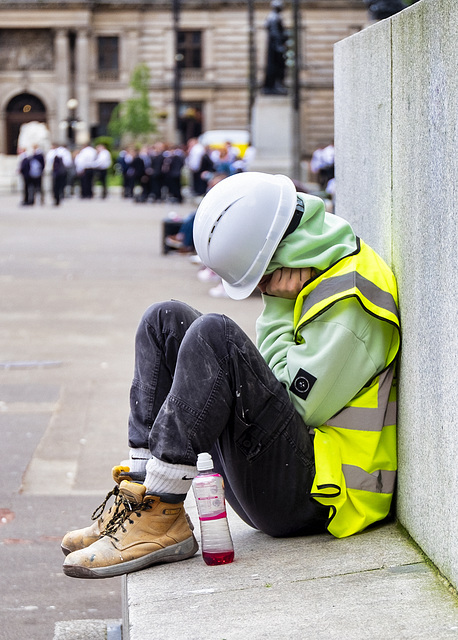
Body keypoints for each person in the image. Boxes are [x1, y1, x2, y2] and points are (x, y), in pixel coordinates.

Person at [61, 172, 400, 579]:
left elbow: (297, 407)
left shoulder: (353, 302)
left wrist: (276, 304)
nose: (260, 287)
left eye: (261, 278)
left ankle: (164, 511)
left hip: (321, 497)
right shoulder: (323, 264)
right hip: (287, 473)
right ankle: (142, 495)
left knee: (215, 335)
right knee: (164, 320)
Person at [262, 0, 288, 95]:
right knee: (278, 67)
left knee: (278, 67)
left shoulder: (273, 17)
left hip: (275, 47)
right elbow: (275, 33)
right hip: (276, 47)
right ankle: (275, 86)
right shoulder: (274, 17)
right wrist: (279, 46)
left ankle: (275, 85)